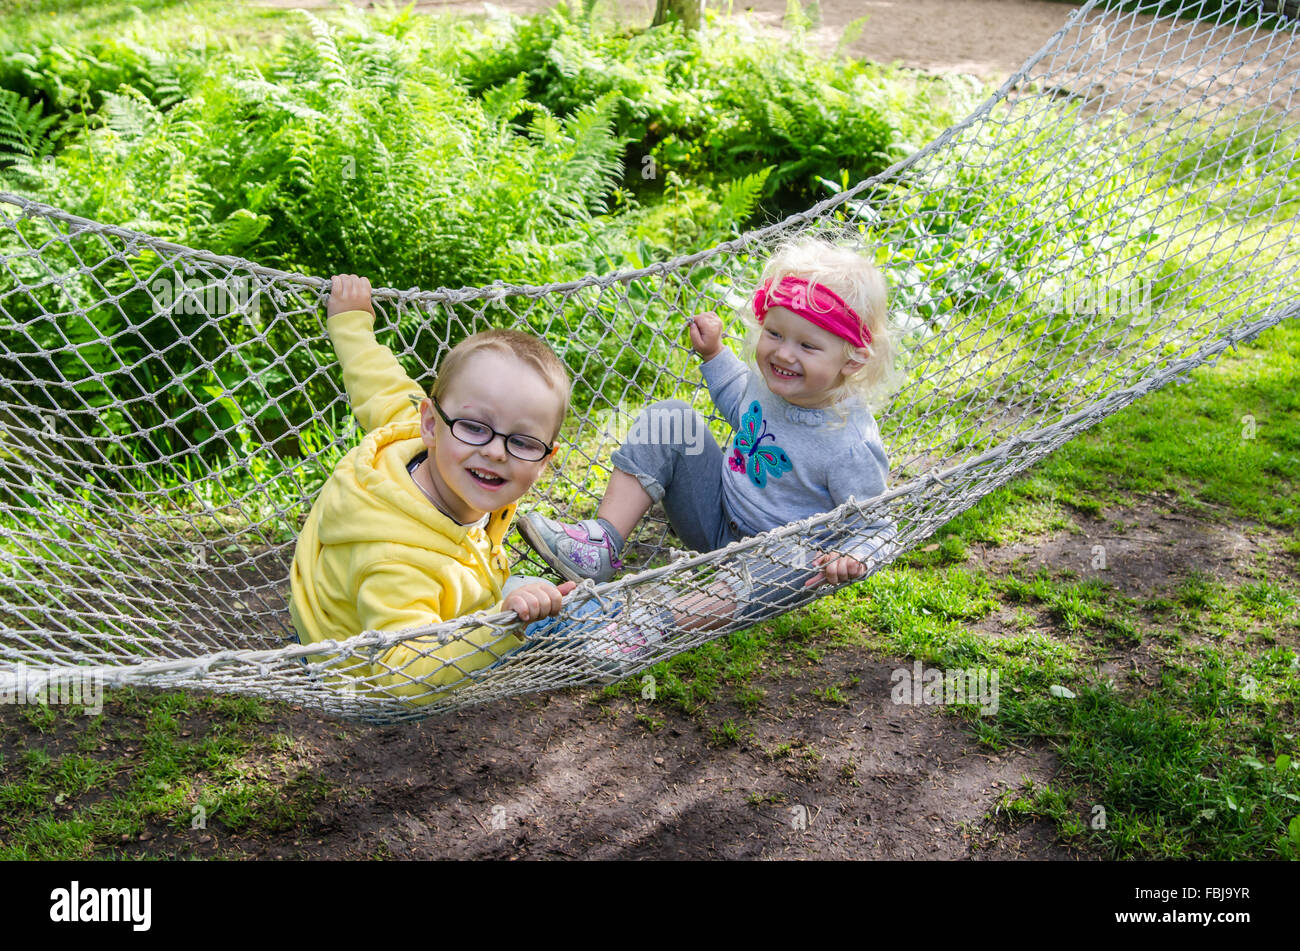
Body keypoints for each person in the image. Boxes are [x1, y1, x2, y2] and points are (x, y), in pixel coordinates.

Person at [515, 235, 903, 676]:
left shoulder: (850, 444)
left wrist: (856, 557)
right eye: (774, 333)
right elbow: (739, 400)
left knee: (788, 560)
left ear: (851, 360)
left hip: (779, 563)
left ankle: (646, 626)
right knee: (672, 418)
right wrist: (715, 354)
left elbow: (879, 523)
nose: (782, 353)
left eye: (807, 346)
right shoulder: (772, 382)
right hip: (717, 517)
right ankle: (601, 543)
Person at [288, 274, 577, 703]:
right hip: (362, 673)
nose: (496, 452)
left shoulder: (420, 437)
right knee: (546, 612)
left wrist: (351, 321)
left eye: (521, 441)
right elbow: (402, 677)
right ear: (430, 424)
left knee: (537, 594)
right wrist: (501, 628)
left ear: (546, 458)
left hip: (443, 601)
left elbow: (376, 379)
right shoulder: (394, 558)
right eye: (475, 428)